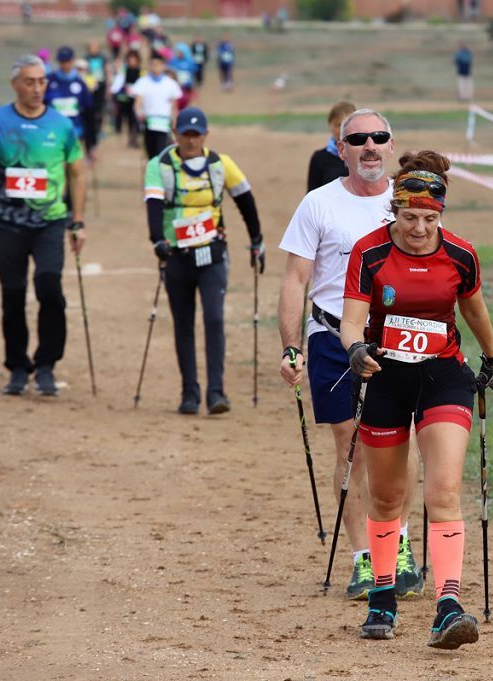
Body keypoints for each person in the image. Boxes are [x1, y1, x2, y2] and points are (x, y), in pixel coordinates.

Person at [341, 150, 493, 648]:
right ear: (394, 210)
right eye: (409, 217)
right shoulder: (368, 252)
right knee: (388, 496)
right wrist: (355, 349)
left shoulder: (460, 253)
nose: (418, 228)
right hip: (386, 375)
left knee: (445, 492)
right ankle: (383, 596)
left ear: (441, 215)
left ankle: (448, 605)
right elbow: (352, 317)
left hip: (443, 376)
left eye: (429, 218)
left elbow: (473, 308)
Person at [277, 109, 423, 601]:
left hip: (399, 338)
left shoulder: (409, 204)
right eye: (357, 138)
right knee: (352, 447)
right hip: (332, 338)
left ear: (390, 144)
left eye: (378, 138)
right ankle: (364, 559)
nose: (369, 146)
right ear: (341, 149)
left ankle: (398, 546)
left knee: (402, 447)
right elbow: (295, 279)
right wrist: (291, 347)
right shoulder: (318, 204)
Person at [0, 54, 87, 396]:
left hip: (49, 222)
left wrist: (77, 222)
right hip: (5, 222)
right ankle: (17, 366)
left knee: (50, 288)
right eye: (30, 82)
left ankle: (46, 365)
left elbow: (77, 175)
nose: (37, 88)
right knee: (13, 294)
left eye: (42, 81)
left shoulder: (62, 125)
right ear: (15, 83)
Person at [143, 108, 263, 414]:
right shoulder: (160, 166)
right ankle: (189, 393)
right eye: (185, 134)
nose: (191, 140)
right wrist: (157, 238)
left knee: (213, 319)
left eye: (196, 134)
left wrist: (256, 240)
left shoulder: (221, 164)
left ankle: (216, 392)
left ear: (206, 135)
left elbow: (245, 200)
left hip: (212, 253)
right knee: (183, 324)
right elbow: (154, 205)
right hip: (176, 255)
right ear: (175, 134)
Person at [45, 46, 97, 161]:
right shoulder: (49, 81)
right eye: (62, 61)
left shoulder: (80, 83)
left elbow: (89, 112)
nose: (65, 64)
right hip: (52, 133)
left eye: (67, 61)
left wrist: (91, 142)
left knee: (75, 168)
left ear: (72, 61)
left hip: (75, 132)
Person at [132, 52, 182, 159]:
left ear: (164, 66)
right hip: (148, 123)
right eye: (153, 64)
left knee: (161, 152)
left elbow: (174, 106)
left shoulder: (171, 84)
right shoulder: (143, 82)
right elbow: (137, 103)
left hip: (163, 124)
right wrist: (139, 113)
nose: (156, 67)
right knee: (150, 153)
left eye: (158, 64)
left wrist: (175, 122)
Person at [306, 101, 355, 193]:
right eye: (338, 125)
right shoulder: (319, 158)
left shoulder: (363, 156)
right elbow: (311, 194)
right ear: (330, 125)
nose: (342, 130)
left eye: (346, 125)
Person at [111, 49, 141, 148]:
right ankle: (130, 139)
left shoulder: (140, 71)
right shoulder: (124, 70)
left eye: (134, 58)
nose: (132, 61)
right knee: (128, 119)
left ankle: (135, 138)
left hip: (137, 99)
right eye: (130, 59)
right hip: (125, 99)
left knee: (135, 119)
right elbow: (117, 83)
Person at [84, 41, 112, 138]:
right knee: (90, 108)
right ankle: (91, 129)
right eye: (91, 47)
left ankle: (99, 129)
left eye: (95, 46)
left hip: (101, 86)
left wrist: (108, 86)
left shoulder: (103, 58)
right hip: (90, 87)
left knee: (100, 109)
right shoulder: (86, 58)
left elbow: (108, 71)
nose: (93, 49)